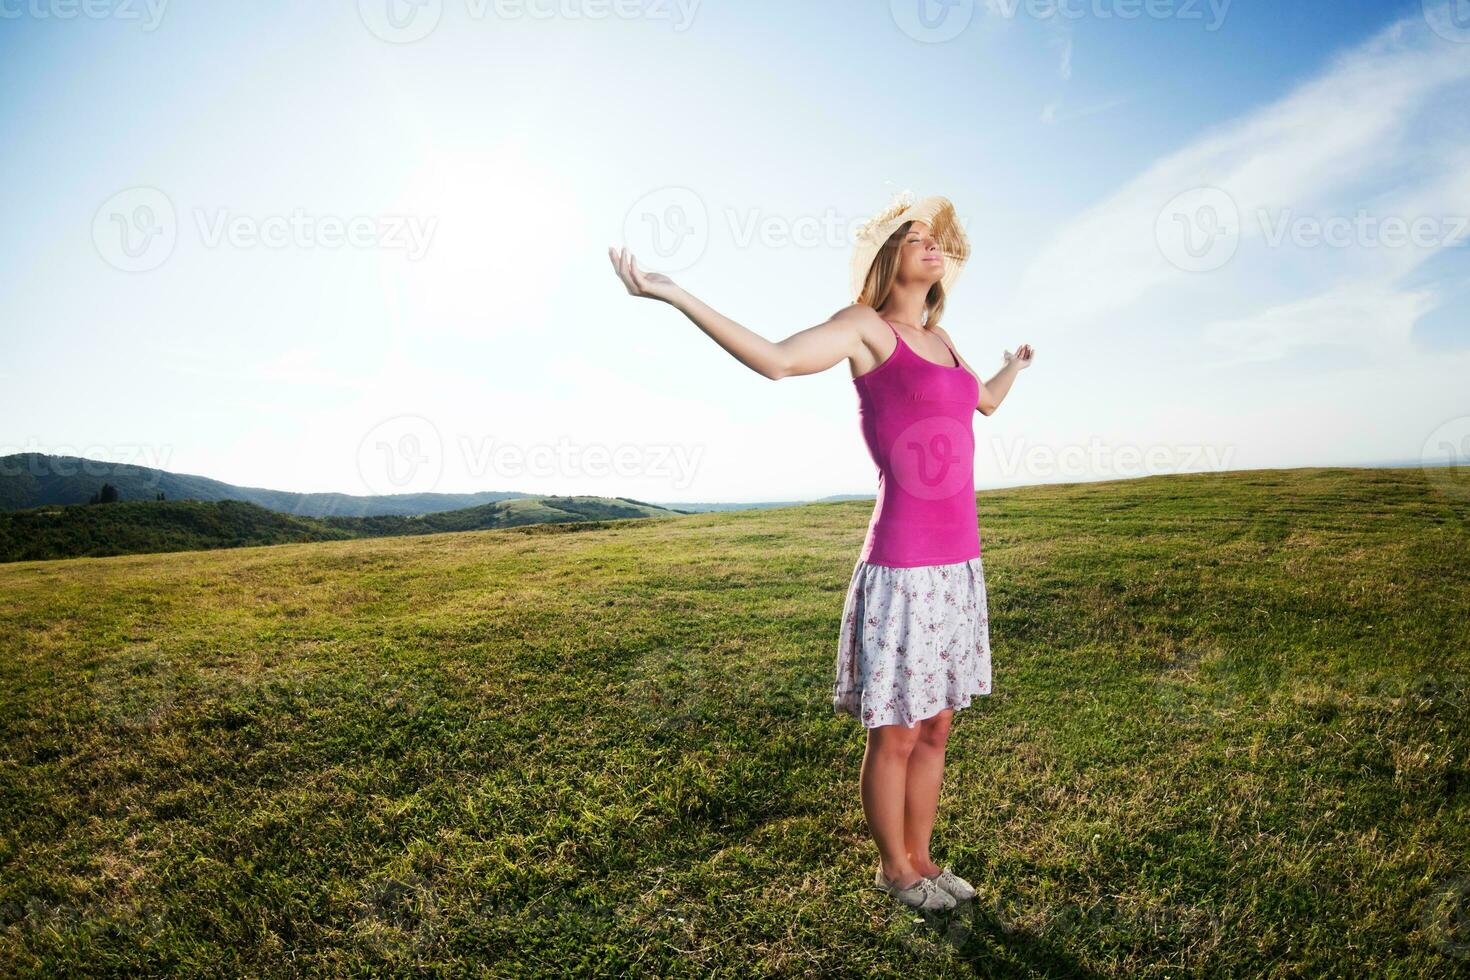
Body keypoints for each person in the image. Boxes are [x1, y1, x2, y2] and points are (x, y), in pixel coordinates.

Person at [607, 191, 1035, 913]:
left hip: (960, 561)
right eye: (916, 237)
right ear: (889, 257)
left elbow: (982, 403)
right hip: (902, 563)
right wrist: (674, 293)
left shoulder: (947, 340)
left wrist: (1012, 367)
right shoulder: (864, 329)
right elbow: (776, 360)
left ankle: (926, 860)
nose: (933, 246)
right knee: (896, 731)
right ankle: (895, 872)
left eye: (938, 240)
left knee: (937, 725)